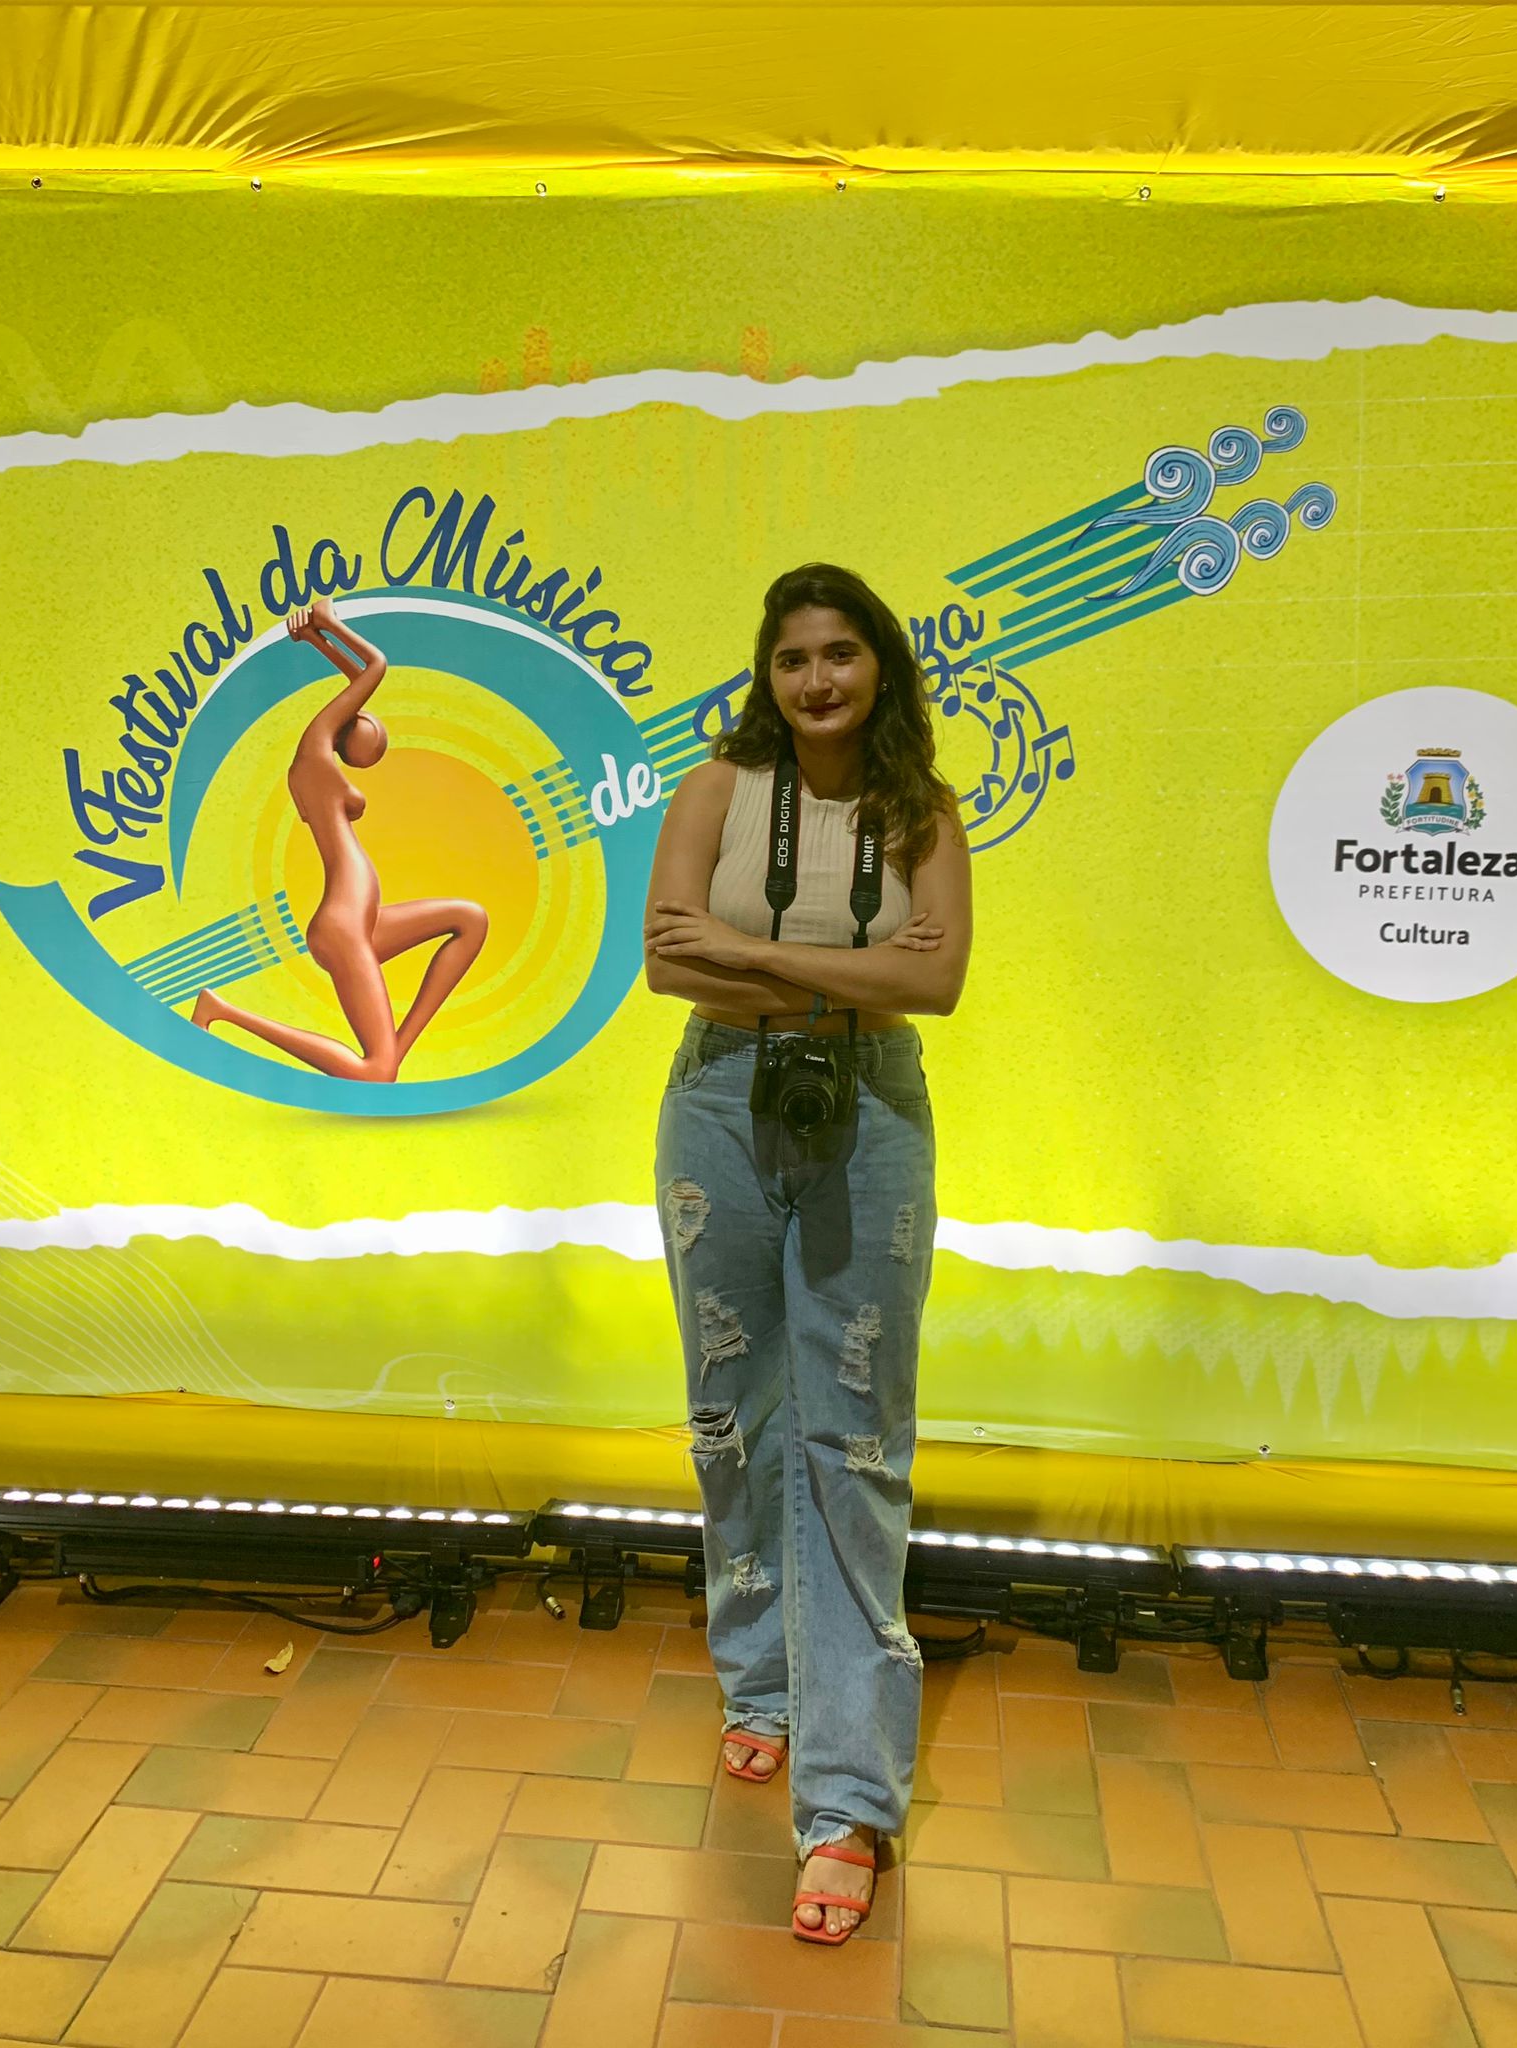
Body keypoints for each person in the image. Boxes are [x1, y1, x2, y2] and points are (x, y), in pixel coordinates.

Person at [644, 563, 972, 1945]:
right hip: (718, 1098)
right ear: (766, 675)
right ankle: (762, 1685)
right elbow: (668, 962)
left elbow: (934, 982)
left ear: (879, 666)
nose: (817, 679)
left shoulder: (921, 810)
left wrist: (753, 951)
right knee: (733, 1414)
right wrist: (849, 965)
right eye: (793, 659)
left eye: (841, 653)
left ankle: (845, 1798)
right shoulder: (715, 791)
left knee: (852, 1437)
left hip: (870, 1110)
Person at [192, 597, 488, 1077]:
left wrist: (314, 639)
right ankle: (223, 1012)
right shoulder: (312, 757)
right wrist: (330, 624)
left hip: (364, 919)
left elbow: (357, 683)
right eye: (373, 729)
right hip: (345, 924)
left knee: (470, 919)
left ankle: (399, 1046)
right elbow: (374, 668)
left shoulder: (323, 763)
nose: (376, 736)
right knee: (376, 1073)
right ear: (350, 725)